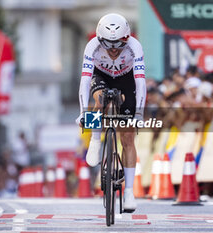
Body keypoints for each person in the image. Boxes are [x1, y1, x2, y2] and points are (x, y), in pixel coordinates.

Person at [75, 13, 146, 212]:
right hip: (102, 76)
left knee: (128, 137)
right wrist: (83, 113)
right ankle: (96, 141)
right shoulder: (91, 47)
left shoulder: (135, 46)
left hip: (126, 79)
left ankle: (130, 191)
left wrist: (138, 114)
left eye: (119, 45)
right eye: (108, 44)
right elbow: (85, 82)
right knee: (99, 98)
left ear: (127, 39)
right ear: (99, 40)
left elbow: (140, 83)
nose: (114, 50)